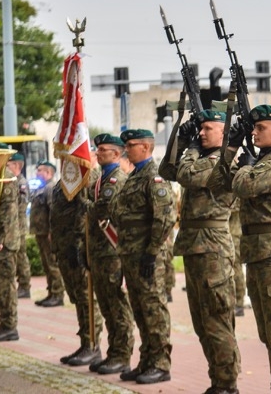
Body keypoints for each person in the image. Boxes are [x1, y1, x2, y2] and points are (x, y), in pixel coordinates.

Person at [213, 104, 271, 393]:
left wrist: (247, 165)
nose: (254, 132)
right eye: (253, 128)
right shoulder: (257, 162)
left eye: (261, 128)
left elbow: (242, 187)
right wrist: (230, 147)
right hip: (258, 253)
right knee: (268, 333)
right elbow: (219, 182)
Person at [159, 110, 241, 394]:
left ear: (225, 131)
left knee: (217, 320)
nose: (203, 133)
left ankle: (228, 382)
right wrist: (181, 138)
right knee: (202, 322)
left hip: (213, 248)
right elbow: (167, 170)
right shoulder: (202, 157)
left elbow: (186, 175)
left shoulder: (223, 160)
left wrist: (191, 148)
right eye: (201, 129)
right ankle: (218, 380)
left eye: (209, 128)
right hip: (196, 246)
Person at [111, 128, 175, 385]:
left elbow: (165, 218)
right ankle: (147, 360)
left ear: (146, 148)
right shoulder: (134, 175)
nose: (126, 150)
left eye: (131, 145)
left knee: (153, 310)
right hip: (131, 254)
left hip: (148, 257)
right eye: (125, 146)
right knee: (139, 309)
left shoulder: (155, 176)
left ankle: (160, 364)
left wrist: (151, 253)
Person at [83, 133, 134, 375]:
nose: (97, 153)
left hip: (112, 251)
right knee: (105, 304)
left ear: (116, 154)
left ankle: (122, 355)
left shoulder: (118, 180)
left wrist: (84, 205)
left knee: (117, 305)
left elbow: (102, 209)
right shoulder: (100, 181)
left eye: (102, 150)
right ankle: (113, 352)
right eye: (97, 149)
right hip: (98, 251)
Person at [49, 174, 103, 367]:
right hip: (63, 247)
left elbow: (83, 212)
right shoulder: (63, 179)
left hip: (76, 247)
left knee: (86, 297)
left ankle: (93, 345)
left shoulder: (86, 177)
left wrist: (78, 243)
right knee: (77, 298)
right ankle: (84, 343)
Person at [0, 141, 21, 342]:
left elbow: (6, 213)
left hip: (4, 243)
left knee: (4, 285)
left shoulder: (7, 178)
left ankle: (10, 326)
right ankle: (5, 322)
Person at [29, 160, 65, 307]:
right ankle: (51, 292)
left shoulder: (51, 188)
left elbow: (53, 211)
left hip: (47, 232)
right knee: (46, 264)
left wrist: (52, 231)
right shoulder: (42, 188)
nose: (37, 173)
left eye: (41, 170)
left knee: (52, 264)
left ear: (49, 173)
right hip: (41, 232)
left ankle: (57, 294)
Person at [6, 152, 32, 299]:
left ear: (17, 166)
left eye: (9, 165)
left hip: (19, 227)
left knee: (21, 257)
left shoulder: (21, 183)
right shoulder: (13, 181)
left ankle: (24, 286)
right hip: (13, 226)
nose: (7, 168)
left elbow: (20, 206)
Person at [228, 197, 246, 317]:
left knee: (236, 268)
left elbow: (234, 205)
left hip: (236, 232)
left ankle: (239, 304)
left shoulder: (238, 187)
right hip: (230, 231)